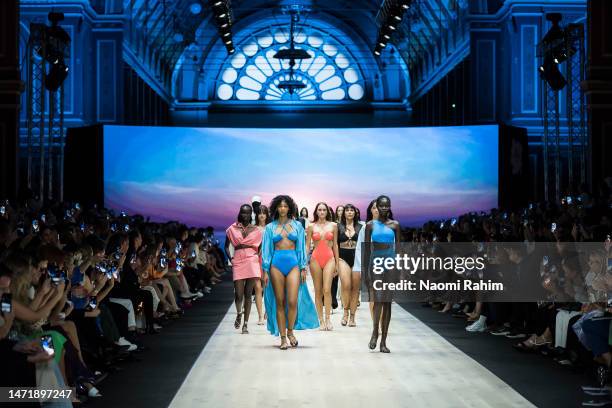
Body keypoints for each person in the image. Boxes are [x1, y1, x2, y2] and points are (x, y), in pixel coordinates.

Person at [261, 195, 318, 350]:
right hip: (275, 264)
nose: (283, 209)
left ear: (290, 208)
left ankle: (291, 331)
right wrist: (265, 270)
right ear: (276, 208)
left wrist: (303, 267)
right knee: (280, 301)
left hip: (293, 263)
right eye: (280, 206)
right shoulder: (270, 228)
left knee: (292, 301)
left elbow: (301, 248)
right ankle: (283, 338)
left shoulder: (298, 226)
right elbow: (266, 250)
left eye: (285, 206)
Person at [364, 195, 400, 353]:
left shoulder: (395, 225)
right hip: (376, 262)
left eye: (387, 206)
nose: (385, 208)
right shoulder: (370, 225)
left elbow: (399, 250)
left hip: (391, 263)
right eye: (382, 206)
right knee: (378, 299)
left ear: (390, 206)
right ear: (376, 207)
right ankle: (374, 332)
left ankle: (384, 341)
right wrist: (366, 272)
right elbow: (366, 250)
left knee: (387, 302)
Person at [225, 204, 263, 334]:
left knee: (248, 294)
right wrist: (231, 259)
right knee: (238, 294)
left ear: (251, 214)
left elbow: (261, 246)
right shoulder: (232, 228)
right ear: (240, 213)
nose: (245, 215)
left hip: (251, 261)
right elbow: (226, 246)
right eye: (243, 213)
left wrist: (256, 257)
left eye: (248, 213)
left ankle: (245, 324)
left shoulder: (256, 230)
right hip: (238, 260)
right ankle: (239, 313)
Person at [307, 203, 339, 331]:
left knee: (327, 290)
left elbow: (335, 245)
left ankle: (328, 319)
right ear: (316, 211)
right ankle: (320, 320)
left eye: (324, 210)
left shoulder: (333, 225)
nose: (322, 212)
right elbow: (307, 245)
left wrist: (337, 263)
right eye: (319, 210)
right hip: (315, 259)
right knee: (318, 291)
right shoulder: (310, 226)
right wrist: (304, 262)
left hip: (330, 258)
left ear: (327, 211)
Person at [337, 204, 362, 327]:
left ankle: (352, 317)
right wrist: (335, 262)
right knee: (346, 285)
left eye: (352, 210)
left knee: (355, 289)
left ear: (355, 213)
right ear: (344, 213)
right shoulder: (338, 226)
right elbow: (334, 245)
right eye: (347, 210)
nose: (350, 212)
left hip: (357, 259)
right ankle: (345, 313)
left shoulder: (361, 227)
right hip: (343, 258)